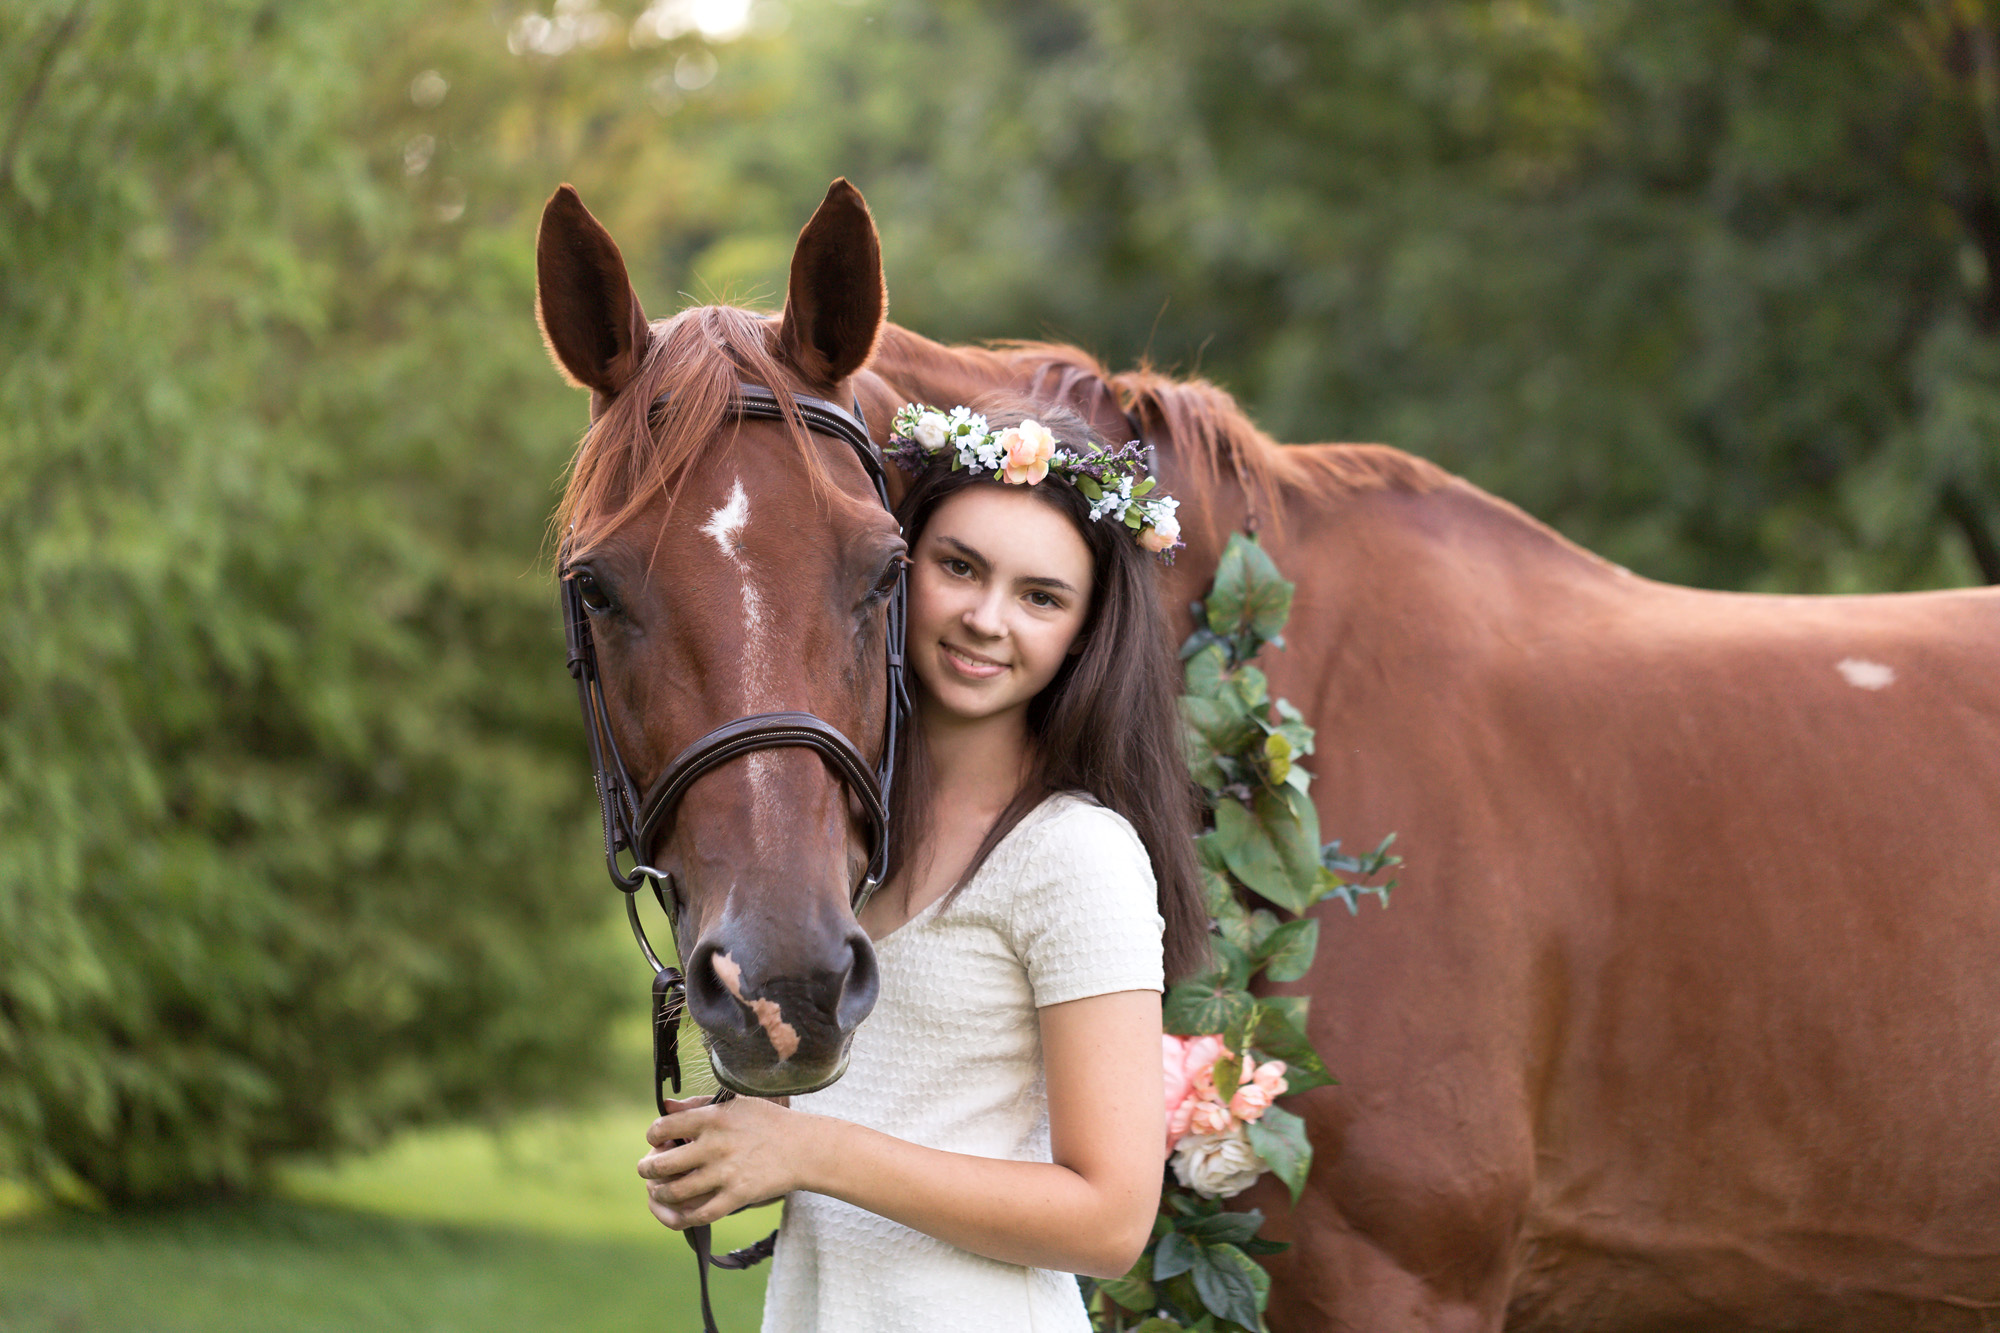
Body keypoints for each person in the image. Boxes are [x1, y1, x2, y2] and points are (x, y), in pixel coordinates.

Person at [637, 399, 1210, 1332]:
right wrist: (728, 1156)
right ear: (895, 574)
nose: (988, 619)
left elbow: (1110, 1220)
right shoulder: (849, 842)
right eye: (959, 567)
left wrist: (807, 1153)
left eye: (1041, 596)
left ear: (1084, 632)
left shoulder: (1076, 854)